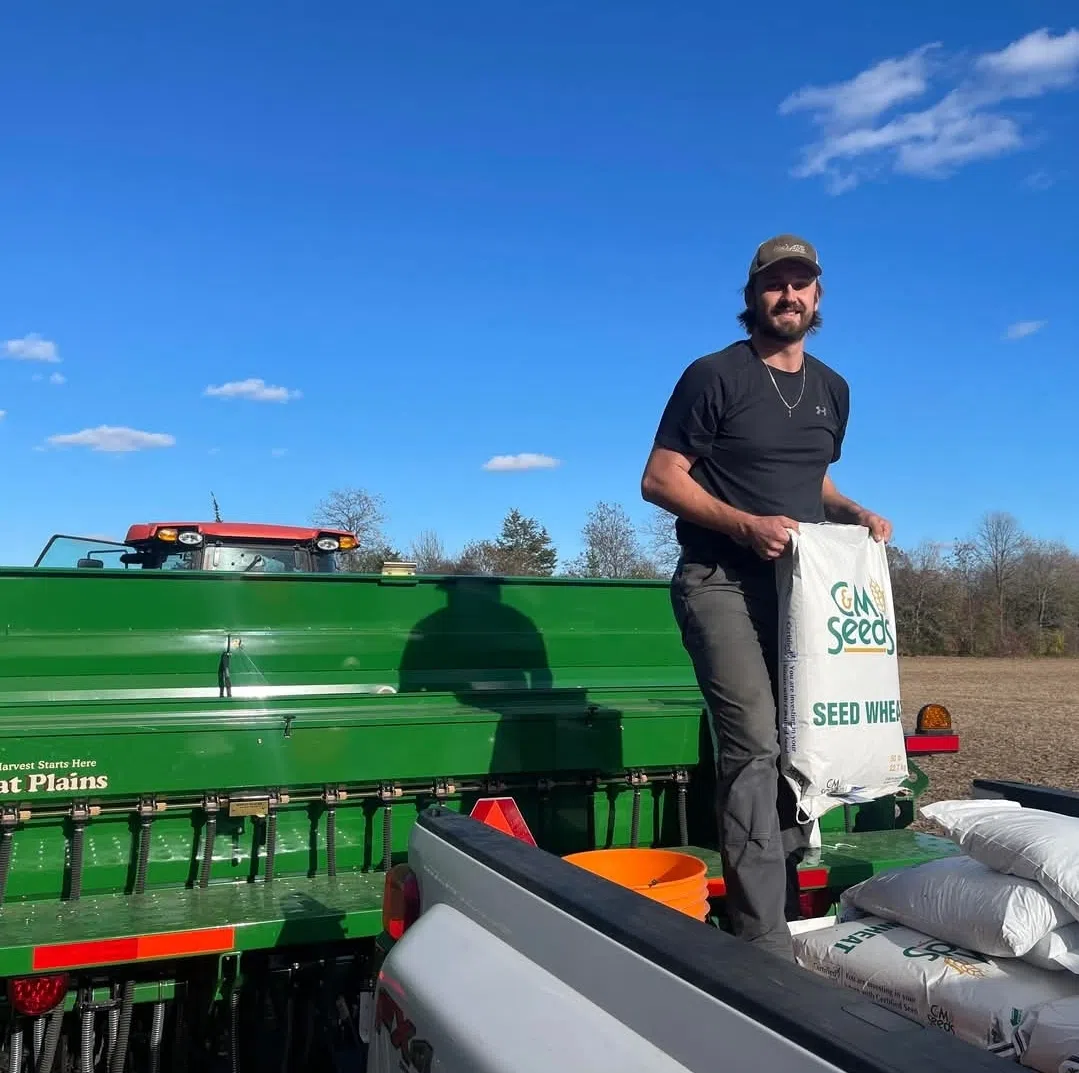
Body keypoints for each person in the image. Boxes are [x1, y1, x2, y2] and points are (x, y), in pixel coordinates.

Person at [640, 233, 892, 961]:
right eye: (775, 283)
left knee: (797, 742)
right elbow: (660, 479)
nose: (789, 295)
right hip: (718, 579)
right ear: (752, 295)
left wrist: (852, 511)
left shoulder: (833, 389)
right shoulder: (713, 375)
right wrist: (743, 525)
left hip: (799, 594)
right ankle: (761, 943)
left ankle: (779, 905)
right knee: (753, 744)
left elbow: (811, 478)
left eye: (800, 283)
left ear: (817, 297)